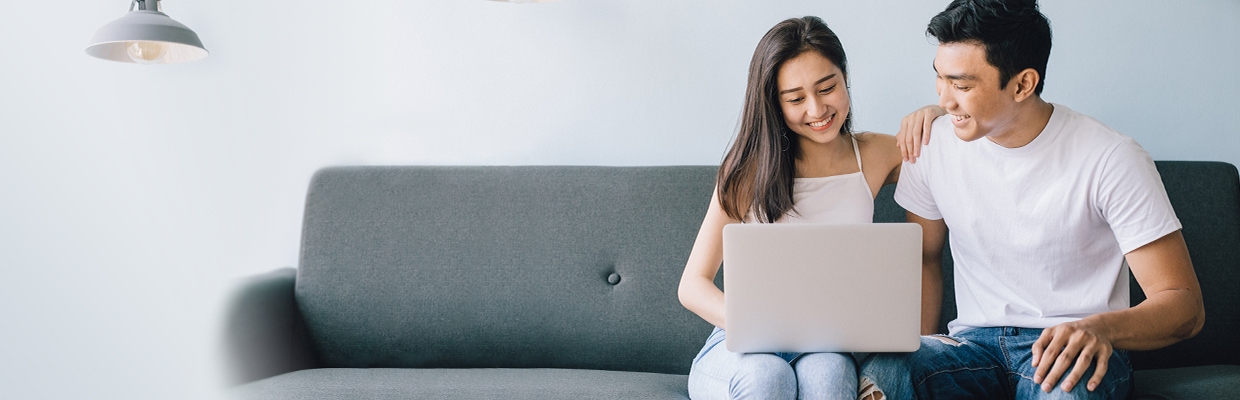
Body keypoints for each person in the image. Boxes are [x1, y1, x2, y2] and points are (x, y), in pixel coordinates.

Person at [868, 0, 1206, 399]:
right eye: (940, 79)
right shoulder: (933, 145)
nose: (944, 99)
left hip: (1070, 344)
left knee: (1068, 389)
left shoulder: (1111, 158)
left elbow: (1184, 304)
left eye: (961, 85)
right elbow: (925, 259)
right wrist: (920, 348)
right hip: (971, 346)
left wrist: (1100, 328)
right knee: (887, 369)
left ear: (1023, 84)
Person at [677, 16, 943, 400]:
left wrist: (935, 113)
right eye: (796, 99)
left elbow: (946, 150)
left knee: (831, 373)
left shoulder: (873, 154)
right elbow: (692, 286)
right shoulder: (746, 172)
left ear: (845, 76)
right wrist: (759, 326)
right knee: (768, 376)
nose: (817, 109)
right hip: (741, 347)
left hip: (825, 344)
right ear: (774, 102)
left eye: (827, 88)